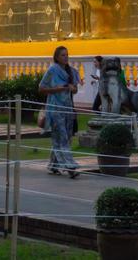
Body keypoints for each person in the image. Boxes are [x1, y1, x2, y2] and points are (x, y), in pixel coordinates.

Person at [39, 45, 82, 178]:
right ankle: (70, 166)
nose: (66, 57)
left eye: (67, 55)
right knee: (62, 136)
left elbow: (75, 90)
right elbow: (41, 88)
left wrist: (71, 88)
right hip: (55, 107)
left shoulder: (71, 71)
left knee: (66, 136)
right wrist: (57, 89)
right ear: (57, 57)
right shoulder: (52, 70)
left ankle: (53, 165)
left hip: (67, 107)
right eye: (63, 55)